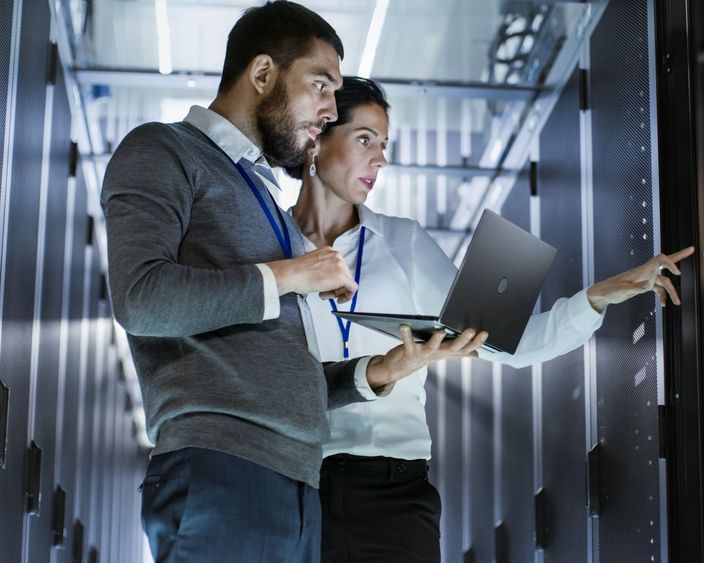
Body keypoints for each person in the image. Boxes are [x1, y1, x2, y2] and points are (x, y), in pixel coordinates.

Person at [101, 4, 486, 562]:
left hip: (297, 483)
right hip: (222, 468)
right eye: (320, 85)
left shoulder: (266, 204)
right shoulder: (163, 150)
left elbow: (280, 371)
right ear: (262, 76)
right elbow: (142, 299)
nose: (329, 109)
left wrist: (381, 372)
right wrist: (292, 273)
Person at [287, 76, 695, 562]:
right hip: (293, 484)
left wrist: (597, 298)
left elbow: (510, 344)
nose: (381, 159)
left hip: (392, 491)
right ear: (317, 138)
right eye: (364, 140)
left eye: (384, 144)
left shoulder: (404, 242)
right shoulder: (269, 246)